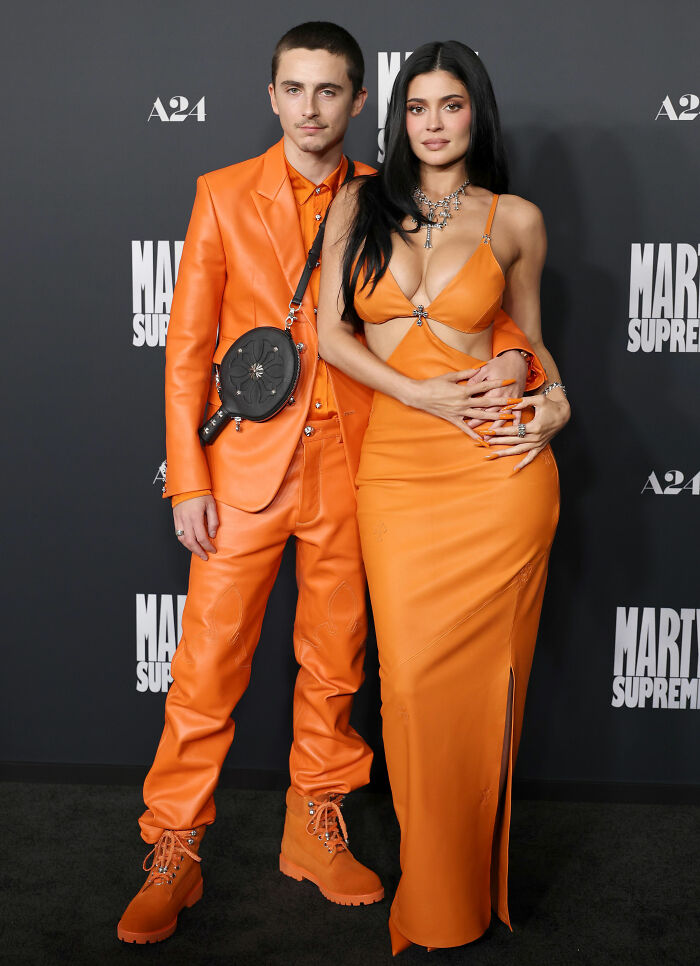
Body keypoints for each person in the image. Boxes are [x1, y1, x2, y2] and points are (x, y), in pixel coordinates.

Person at [118, 23, 549, 945]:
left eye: (329, 92)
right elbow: (188, 346)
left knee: (336, 667)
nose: (310, 108)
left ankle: (316, 827)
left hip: (363, 468)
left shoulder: (386, 197)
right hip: (244, 474)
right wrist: (187, 476)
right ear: (271, 96)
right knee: (205, 668)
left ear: (360, 103)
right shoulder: (223, 195)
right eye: (293, 89)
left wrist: (529, 374)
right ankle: (174, 848)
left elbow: (475, 317)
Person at [317, 41, 569, 953]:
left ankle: (452, 899)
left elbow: (534, 344)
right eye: (418, 106)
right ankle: (431, 891)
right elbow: (330, 336)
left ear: (476, 114)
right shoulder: (359, 202)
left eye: (451, 105)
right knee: (413, 690)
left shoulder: (518, 220)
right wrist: (418, 393)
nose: (433, 122)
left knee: (481, 691)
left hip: (498, 476)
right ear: (399, 118)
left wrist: (557, 398)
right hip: (401, 467)